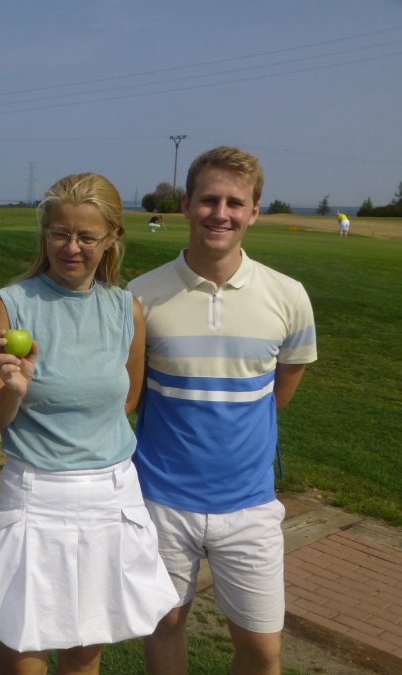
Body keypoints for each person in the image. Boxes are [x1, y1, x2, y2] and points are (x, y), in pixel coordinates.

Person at [0, 173, 178, 675]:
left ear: (111, 239)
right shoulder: (9, 305)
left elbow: (126, 400)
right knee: (24, 651)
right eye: (60, 234)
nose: (71, 248)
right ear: (44, 234)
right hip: (36, 495)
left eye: (87, 236)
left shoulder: (126, 309)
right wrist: (14, 391)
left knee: (85, 650)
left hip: (110, 496)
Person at [127, 146, 318, 675]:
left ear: (254, 211)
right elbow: (131, 395)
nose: (221, 213)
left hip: (250, 506)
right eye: (209, 199)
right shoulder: (140, 296)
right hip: (161, 500)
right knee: (165, 626)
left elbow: (281, 390)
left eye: (235, 203)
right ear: (186, 205)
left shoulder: (288, 296)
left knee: (262, 650)